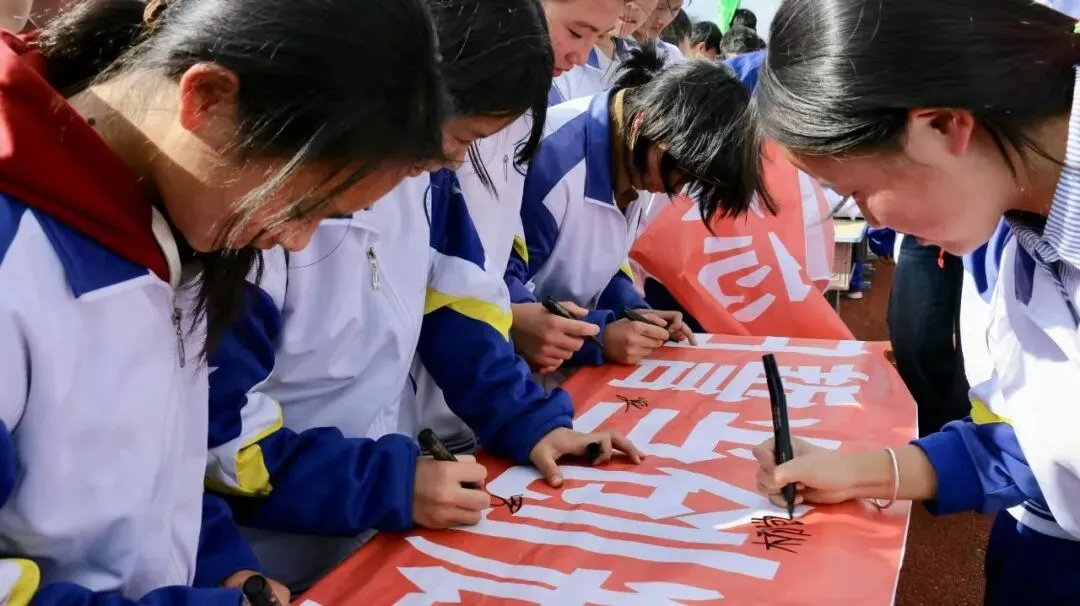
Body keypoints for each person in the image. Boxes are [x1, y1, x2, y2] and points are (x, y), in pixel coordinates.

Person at [0, 0, 447, 602]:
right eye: (301, 206)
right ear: (206, 99)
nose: (296, 241)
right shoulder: (18, 257)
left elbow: (160, 468)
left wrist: (221, 567)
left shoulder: (172, 221)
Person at [205, 0, 644, 592]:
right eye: (462, 137)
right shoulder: (261, 222)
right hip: (266, 548)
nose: (456, 159)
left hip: (378, 519)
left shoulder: (427, 182)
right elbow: (221, 439)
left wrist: (525, 420)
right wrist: (384, 482)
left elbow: (457, 302)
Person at [736, 0, 1080, 602]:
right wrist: (860, 471)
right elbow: (1041, 442)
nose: (869, 221)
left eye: (858, 191)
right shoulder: (1009, 233)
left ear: (942, 126)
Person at [506, 45, 757, 371]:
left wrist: (633, 312)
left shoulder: (635, 154)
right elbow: (509, 303)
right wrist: (600, 336)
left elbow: (601, 266)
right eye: (682, 171)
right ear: (644, 122)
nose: (677, 187)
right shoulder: (554, 165)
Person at [638, 0, 685, 65]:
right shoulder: (622, 50)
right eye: (658, 8)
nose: (662, 20)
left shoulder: (673, 55)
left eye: (675, 9)